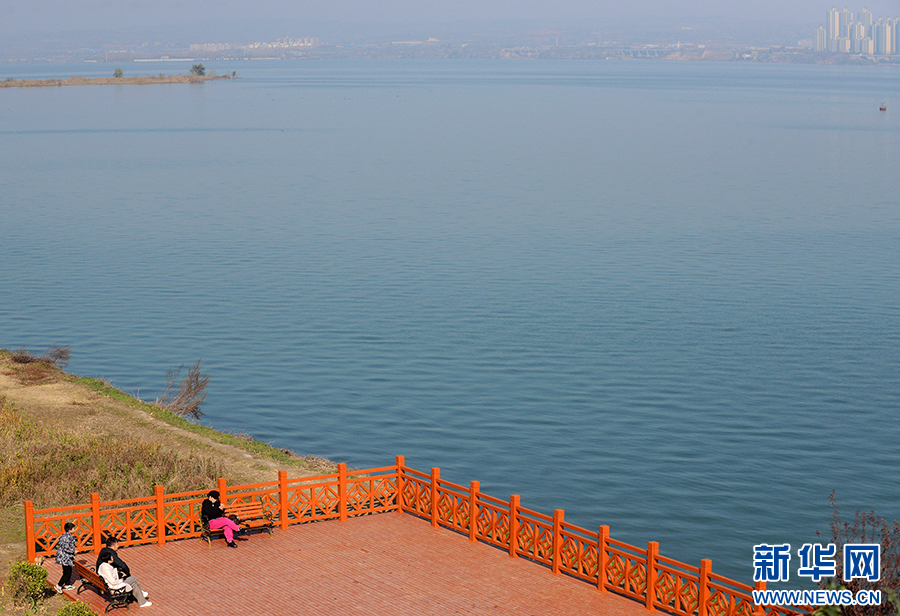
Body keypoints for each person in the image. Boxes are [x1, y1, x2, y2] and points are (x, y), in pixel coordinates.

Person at [54, 522, 77, 593]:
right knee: (67, 573)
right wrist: (73, 551)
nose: (74, 530)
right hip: (65, 558)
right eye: (73, 528)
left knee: (68, 570)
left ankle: (67, 584)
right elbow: (66, 548)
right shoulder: (68, 537)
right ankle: (59, 585)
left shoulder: (63, 536)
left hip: (62, 557)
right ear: (70, 530)